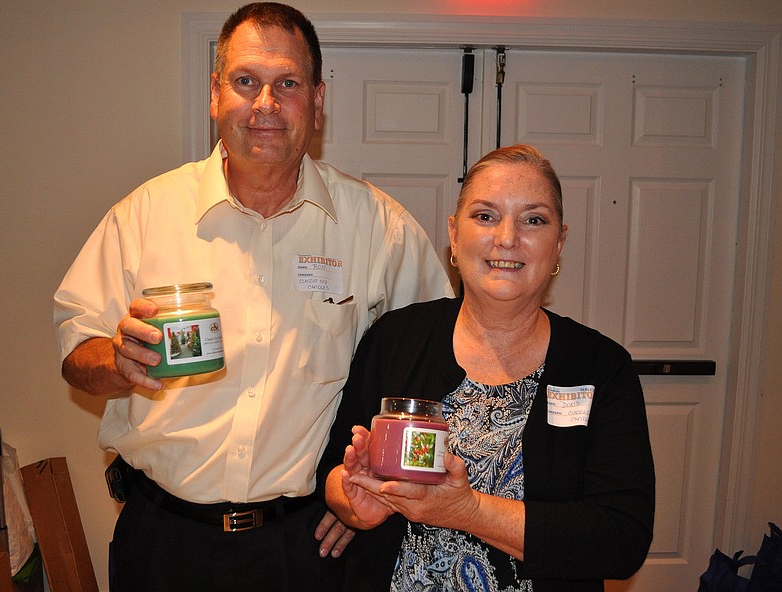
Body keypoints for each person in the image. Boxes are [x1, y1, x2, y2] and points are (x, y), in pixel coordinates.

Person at [53, 3, 453, 590]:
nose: (265, 104)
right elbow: (74, 354)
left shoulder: (378, 229)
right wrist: (114, 361)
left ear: (317, 101)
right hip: (162, 541)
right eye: (246, 82)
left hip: (306, 547)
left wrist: (377, 495)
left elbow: (437, 365)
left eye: (287, 84)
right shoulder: (144, 216)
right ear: (216, 94)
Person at [321, 144, 656, 591]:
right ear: (454, 237)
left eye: (533, 219)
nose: (507, 237)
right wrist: (353, 503)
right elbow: (336, 471)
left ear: (559, 243)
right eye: (485, 216)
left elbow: (621, 540)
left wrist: (468, 512)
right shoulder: (395, 339)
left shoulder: (601, 367)